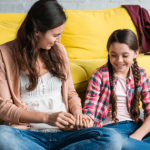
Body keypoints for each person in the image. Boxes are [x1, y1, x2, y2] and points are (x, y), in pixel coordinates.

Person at [0, 0, 122, 150]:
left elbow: (71, 93)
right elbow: (4, 108)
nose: (59, 40)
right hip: (27, 134)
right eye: (55, 35)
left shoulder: (59, 50)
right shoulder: (4, 54)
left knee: (112, 138)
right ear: (36, 30)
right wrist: (47, 117)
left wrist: (78, 113)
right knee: (2, 135)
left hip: (64, 134)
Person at [83, 29, 150, 150]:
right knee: (114, 142)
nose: (119, 60)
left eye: (125, 55)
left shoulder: (141, 74)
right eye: (113, 55)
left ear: (136, 53)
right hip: (111, 130)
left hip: (135, 127)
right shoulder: (99, 75)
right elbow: (89, 111)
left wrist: (137, 136)